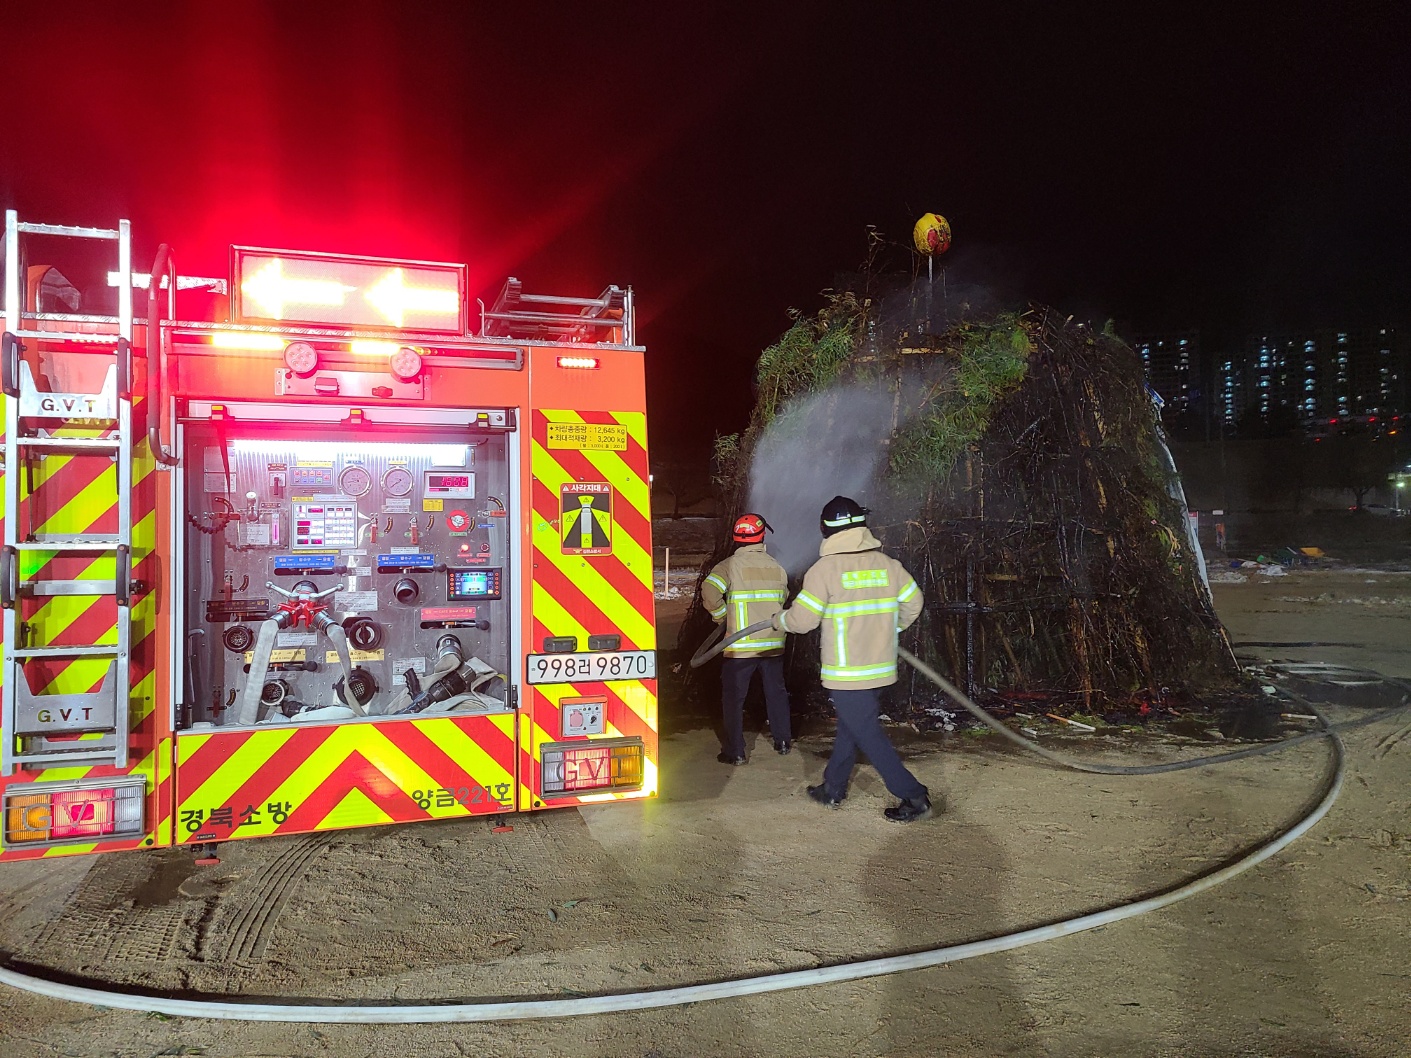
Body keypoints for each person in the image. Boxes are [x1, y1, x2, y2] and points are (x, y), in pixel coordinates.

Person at [772, 496, 932, 822]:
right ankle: (833, 788)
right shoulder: (888, 565)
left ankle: (914, 796)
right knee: (851, 727)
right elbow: (914, 604)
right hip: (880, 668)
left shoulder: (825, 570)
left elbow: (803, 620)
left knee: (868, 734)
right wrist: (889, 630)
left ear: (825, 530)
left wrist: (779, 620)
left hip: (848, 673)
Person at [700, 513, 793, 764]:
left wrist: (722, 617)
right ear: (762, 537)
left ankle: (736, 752)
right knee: (776, 693)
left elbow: (709, 591)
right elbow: (783, 598)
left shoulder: (729, 566)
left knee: (734, 699)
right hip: (772, 644)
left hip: (740, 647)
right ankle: (783, 741)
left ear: (736, 538)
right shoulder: (777, 567)